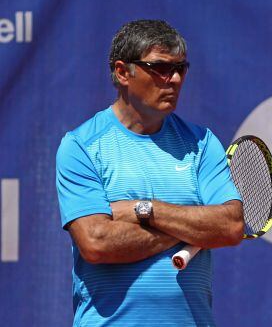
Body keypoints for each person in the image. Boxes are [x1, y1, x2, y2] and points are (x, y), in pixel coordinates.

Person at [55, 20, 244, 326]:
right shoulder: (81, 146)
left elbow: (231, 226)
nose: (174, 79)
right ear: (122, 72)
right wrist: (193, 225)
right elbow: (96, 243)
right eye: (160, 68)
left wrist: (145, 210)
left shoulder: (202, 143)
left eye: (181, 68)